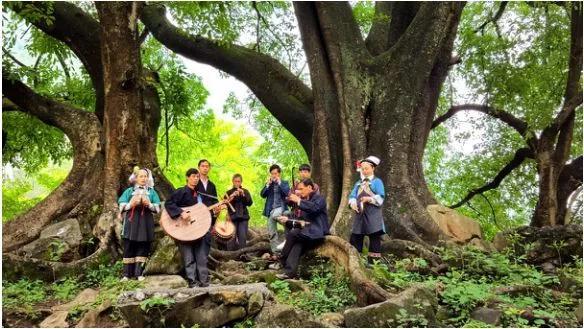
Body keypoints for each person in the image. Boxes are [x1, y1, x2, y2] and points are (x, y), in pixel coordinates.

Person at [274, 179, 330, 279]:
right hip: (307, 234)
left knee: (293, 233)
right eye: (298, 189)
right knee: (297, 244)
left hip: (317, 233)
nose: (299, 191)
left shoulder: (319, 199)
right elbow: (300, 221)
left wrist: (299, 201)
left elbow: (314, 208)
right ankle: (289, 273)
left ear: (309, 187)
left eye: (301, 189)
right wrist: (287, 220)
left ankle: (281, 260)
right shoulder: (304, 202)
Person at [164, 168, 210, 288]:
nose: (195, 179)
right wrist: (180, 212)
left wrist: (213, 211)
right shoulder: (181, 191)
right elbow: (168, 203)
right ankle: (193, 282)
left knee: (201, 257)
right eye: (193, 176)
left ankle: (204, 282)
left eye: (197, 177)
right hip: (183, 230)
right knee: (188, 257)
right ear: (187, 177)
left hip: (198, 229)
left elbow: (201, 212)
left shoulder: (199, 195)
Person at [118, 167, 160, 281]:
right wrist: (131, 204)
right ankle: (126, 274)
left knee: (143, 245)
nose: (143, 178)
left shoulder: (152, 192)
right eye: (141, 176)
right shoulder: (129, 191)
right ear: (136, 178)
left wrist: (149, 204)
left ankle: (138, 274)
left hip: (145, 222)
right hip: (131, 221)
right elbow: (122, 206)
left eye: (145, 176)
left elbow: (157, 208)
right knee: (129, 245)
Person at [348, 155, 386, 265]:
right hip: (359, 215)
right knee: (356, 237)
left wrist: (369, 199)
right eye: (363, 169)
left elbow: (381, 197)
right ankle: (357, 264)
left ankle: (374, 266)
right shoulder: (358, 183)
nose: (364, 171)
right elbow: (352, 196)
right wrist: (353, 203)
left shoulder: (377, 182)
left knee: (374, 239)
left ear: (373, 168)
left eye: (367, 168)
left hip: (373, 215)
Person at [260, 164, 290, 256]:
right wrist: (268, 184)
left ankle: (288, 246)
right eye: (272, 174)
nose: (274, 175)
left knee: (280, 218)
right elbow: (262, 194)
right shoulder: (269, 185)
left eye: (275, 173)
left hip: (281, 208)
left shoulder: (284, 183)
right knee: (271, 233)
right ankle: (276, 253)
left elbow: (287, 192)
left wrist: (279, 182)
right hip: (271, 211)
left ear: (279, 174)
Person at [196, 159, 220, 257]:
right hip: (197, 215)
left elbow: (215, 200)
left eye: (207, 166)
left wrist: (217, 207)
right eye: (203, 166)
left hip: (210, 216)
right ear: (199, 168)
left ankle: (205, 260)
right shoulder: (195, 182)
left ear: (209, 168)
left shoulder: (212, 185)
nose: (205, 168)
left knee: (207, 238)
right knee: (198, 237)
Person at [226, 174, 253, 249]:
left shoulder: (245, 191)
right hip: (232, 218)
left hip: (243, 218)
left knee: (242, 237)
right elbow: (225, 204)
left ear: (241, 182)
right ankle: (229, 257)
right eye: (236, 181)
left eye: (239, 181)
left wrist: (243, 194)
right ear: (233, 182)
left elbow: (250, 203)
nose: (237, 183)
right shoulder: (228, 192)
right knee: (231, 238)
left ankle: (243, 255)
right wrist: (232, 196)